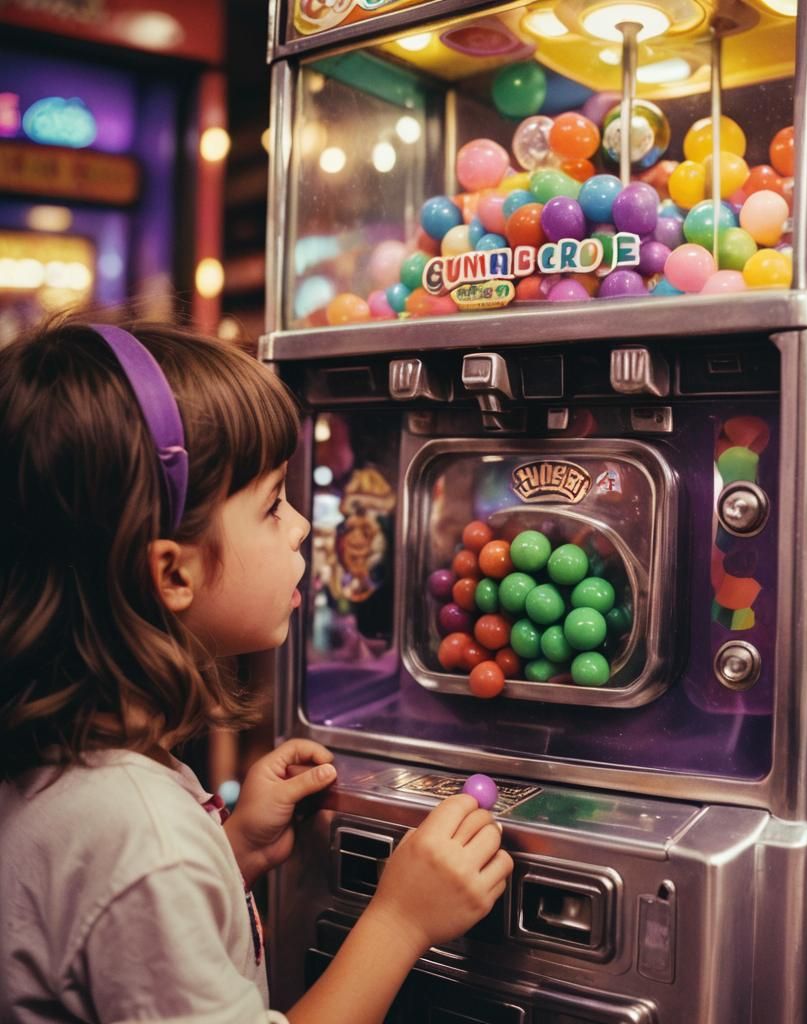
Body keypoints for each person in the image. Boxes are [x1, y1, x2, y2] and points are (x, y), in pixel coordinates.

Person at [0, 318, 513, 1024]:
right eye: (272, 505)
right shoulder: (142, 838)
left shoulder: (72, 778)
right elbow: (137, 885)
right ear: (172, 573)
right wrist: (400, 922)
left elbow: (109, 941)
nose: (301, 525)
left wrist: (231, 849)